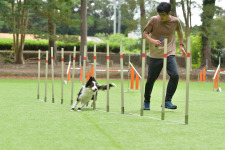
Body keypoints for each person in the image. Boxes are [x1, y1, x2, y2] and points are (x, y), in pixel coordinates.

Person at [142, 2, 186, 110]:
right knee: (151, 79)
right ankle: (147, 101)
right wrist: (153, 41)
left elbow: (180, 33)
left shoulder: (175, 21)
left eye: (163, 15)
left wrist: (181, 46)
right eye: (159, 14)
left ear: (169, 13)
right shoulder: (154, 20)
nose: (161, 17)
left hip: (169, 53)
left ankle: (167, 100)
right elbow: (144, 33)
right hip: (155, 54)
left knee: (175, 75)